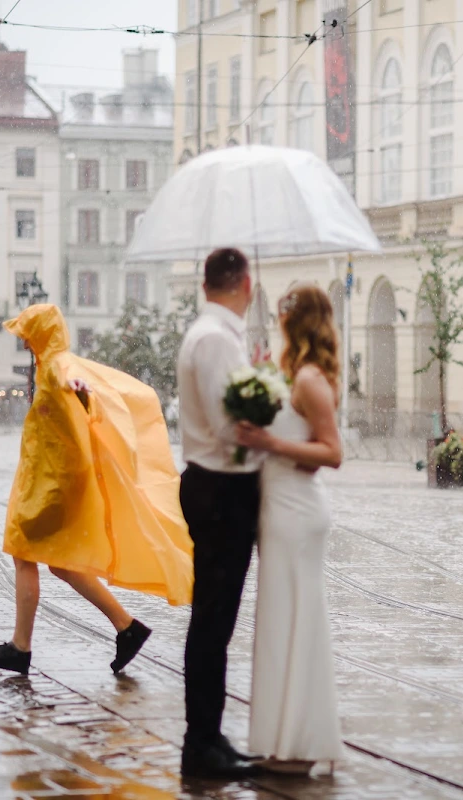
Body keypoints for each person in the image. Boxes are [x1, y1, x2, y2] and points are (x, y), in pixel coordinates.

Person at [0, 304, 192, 676]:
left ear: (42, 332)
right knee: (60, 563)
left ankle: (20, 648)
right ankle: (127, 627)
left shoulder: (58, 365)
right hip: (48, 481)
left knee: (24, 552)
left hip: (52, 486)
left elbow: (72, 380)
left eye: (28, 333)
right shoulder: (49, 364)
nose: (24, 341)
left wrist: (78, 389)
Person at [234, 284, 345, 776]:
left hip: (297, 512)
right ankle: (287, 741)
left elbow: (332, 452)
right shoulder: (292, 375)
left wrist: (270, 442)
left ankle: (297, 746)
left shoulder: (309, 379)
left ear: (294, 322)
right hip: (280, 509)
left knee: (294, 622)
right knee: (284, 622)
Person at [176, 247, 264, 780]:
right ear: (245, 283)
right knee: (211, 623)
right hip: (220, 490)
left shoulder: (219, 336)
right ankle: (200, 744)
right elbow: (230, 428)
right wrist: (276, 436)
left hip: (221, 488)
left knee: (216, 622)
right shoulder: (212, 339)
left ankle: (209, 736)